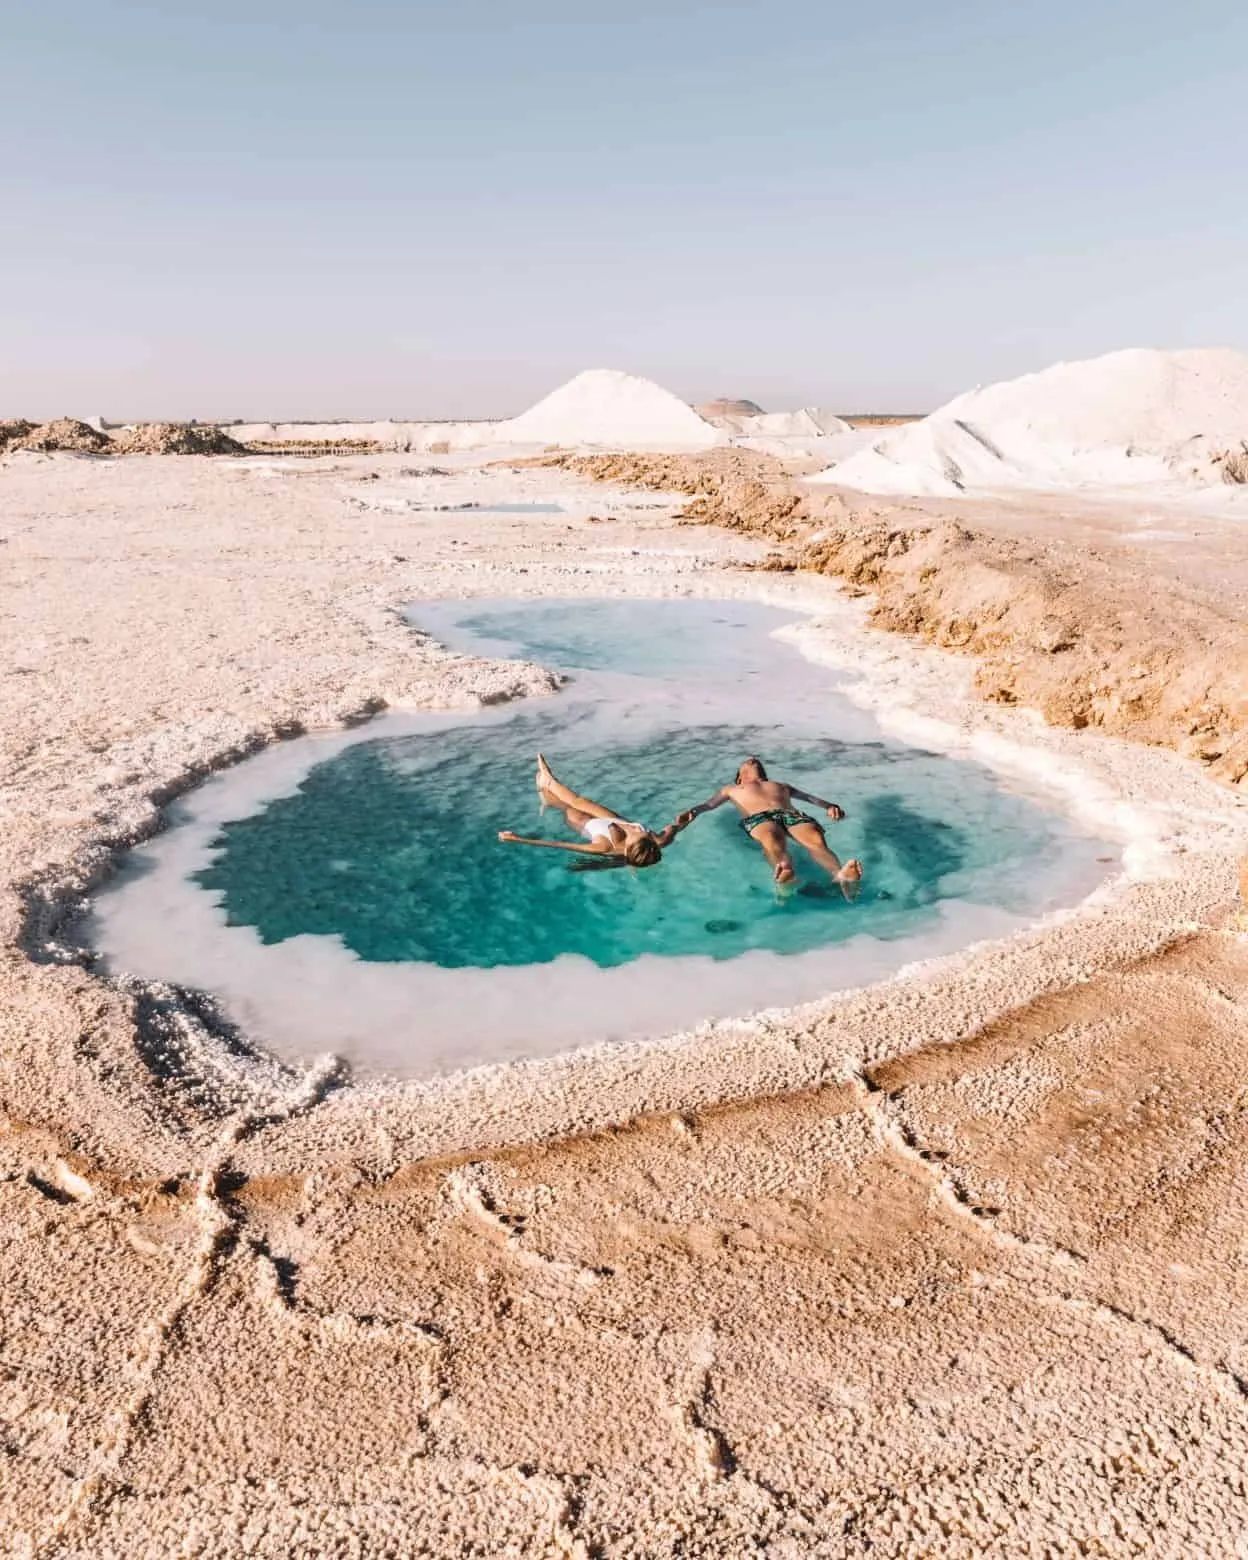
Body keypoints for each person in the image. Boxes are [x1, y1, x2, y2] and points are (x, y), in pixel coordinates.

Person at [684, 755, 863, 893]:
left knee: (815, 839)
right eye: (746, 763)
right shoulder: (732, 789)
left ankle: (839, 875)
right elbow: (709, 805)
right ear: (739, 778)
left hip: (790, 815)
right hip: (760, 817)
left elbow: (809, 798)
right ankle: (785, 872)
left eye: (755, 761)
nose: (752, 759)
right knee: (771, 839)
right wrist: (693, 812)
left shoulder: (780, 785)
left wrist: (830, 806)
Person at [497, 754, 694, 870]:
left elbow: (560, 844)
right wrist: (686, 819)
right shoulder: (655, 841)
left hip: (584, 824)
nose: (645, 830)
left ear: (630, 846)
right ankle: (548, 781)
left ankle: (545, 793)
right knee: (578, 800)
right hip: (613, 820)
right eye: (648, 835)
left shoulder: (604, 847)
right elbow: (675, 827)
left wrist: (518, 839)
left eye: (641, 834)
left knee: (567, 806)